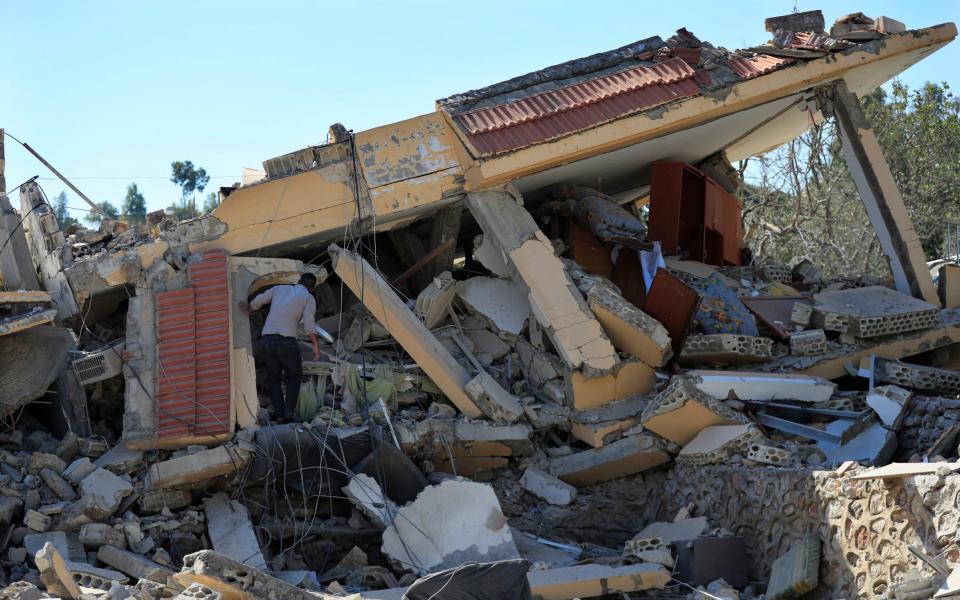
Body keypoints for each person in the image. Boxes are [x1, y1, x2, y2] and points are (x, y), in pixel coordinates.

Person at [239, 273, 321, 423]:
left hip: (267, 339)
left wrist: (249, 309)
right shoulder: (309, 298)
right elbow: (309, 324)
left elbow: (260, 300)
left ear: (298, 282)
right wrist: (316, 346)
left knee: (274, 378)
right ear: (312, 288)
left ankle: (279, 415)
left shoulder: (280, 288)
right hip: (286, 340)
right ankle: (289, 412)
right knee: (294, 376)